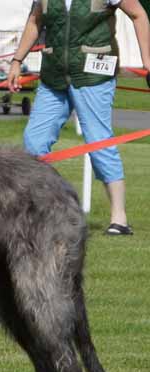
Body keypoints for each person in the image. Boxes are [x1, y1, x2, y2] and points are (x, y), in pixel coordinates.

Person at [8, 0, 150, 236]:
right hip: (54, 76)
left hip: (94, 74)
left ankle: (119, 218)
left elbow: (138, 15)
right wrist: (17, 60)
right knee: (33, 142)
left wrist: (148, 63)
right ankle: (44, 210)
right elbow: (35, 21)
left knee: (98, 141)